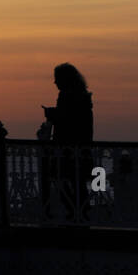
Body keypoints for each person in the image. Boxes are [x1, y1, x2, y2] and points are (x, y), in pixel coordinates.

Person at [40, 63, 94, 222]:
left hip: (67, 148)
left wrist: (51, 114)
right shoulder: (83, 95)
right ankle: (80, 211)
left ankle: (75, 211)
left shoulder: (66, 96)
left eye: (57, 79)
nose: (54, 83)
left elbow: (67, 119)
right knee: (77, 182)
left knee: (61, 180)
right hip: (81, 146)